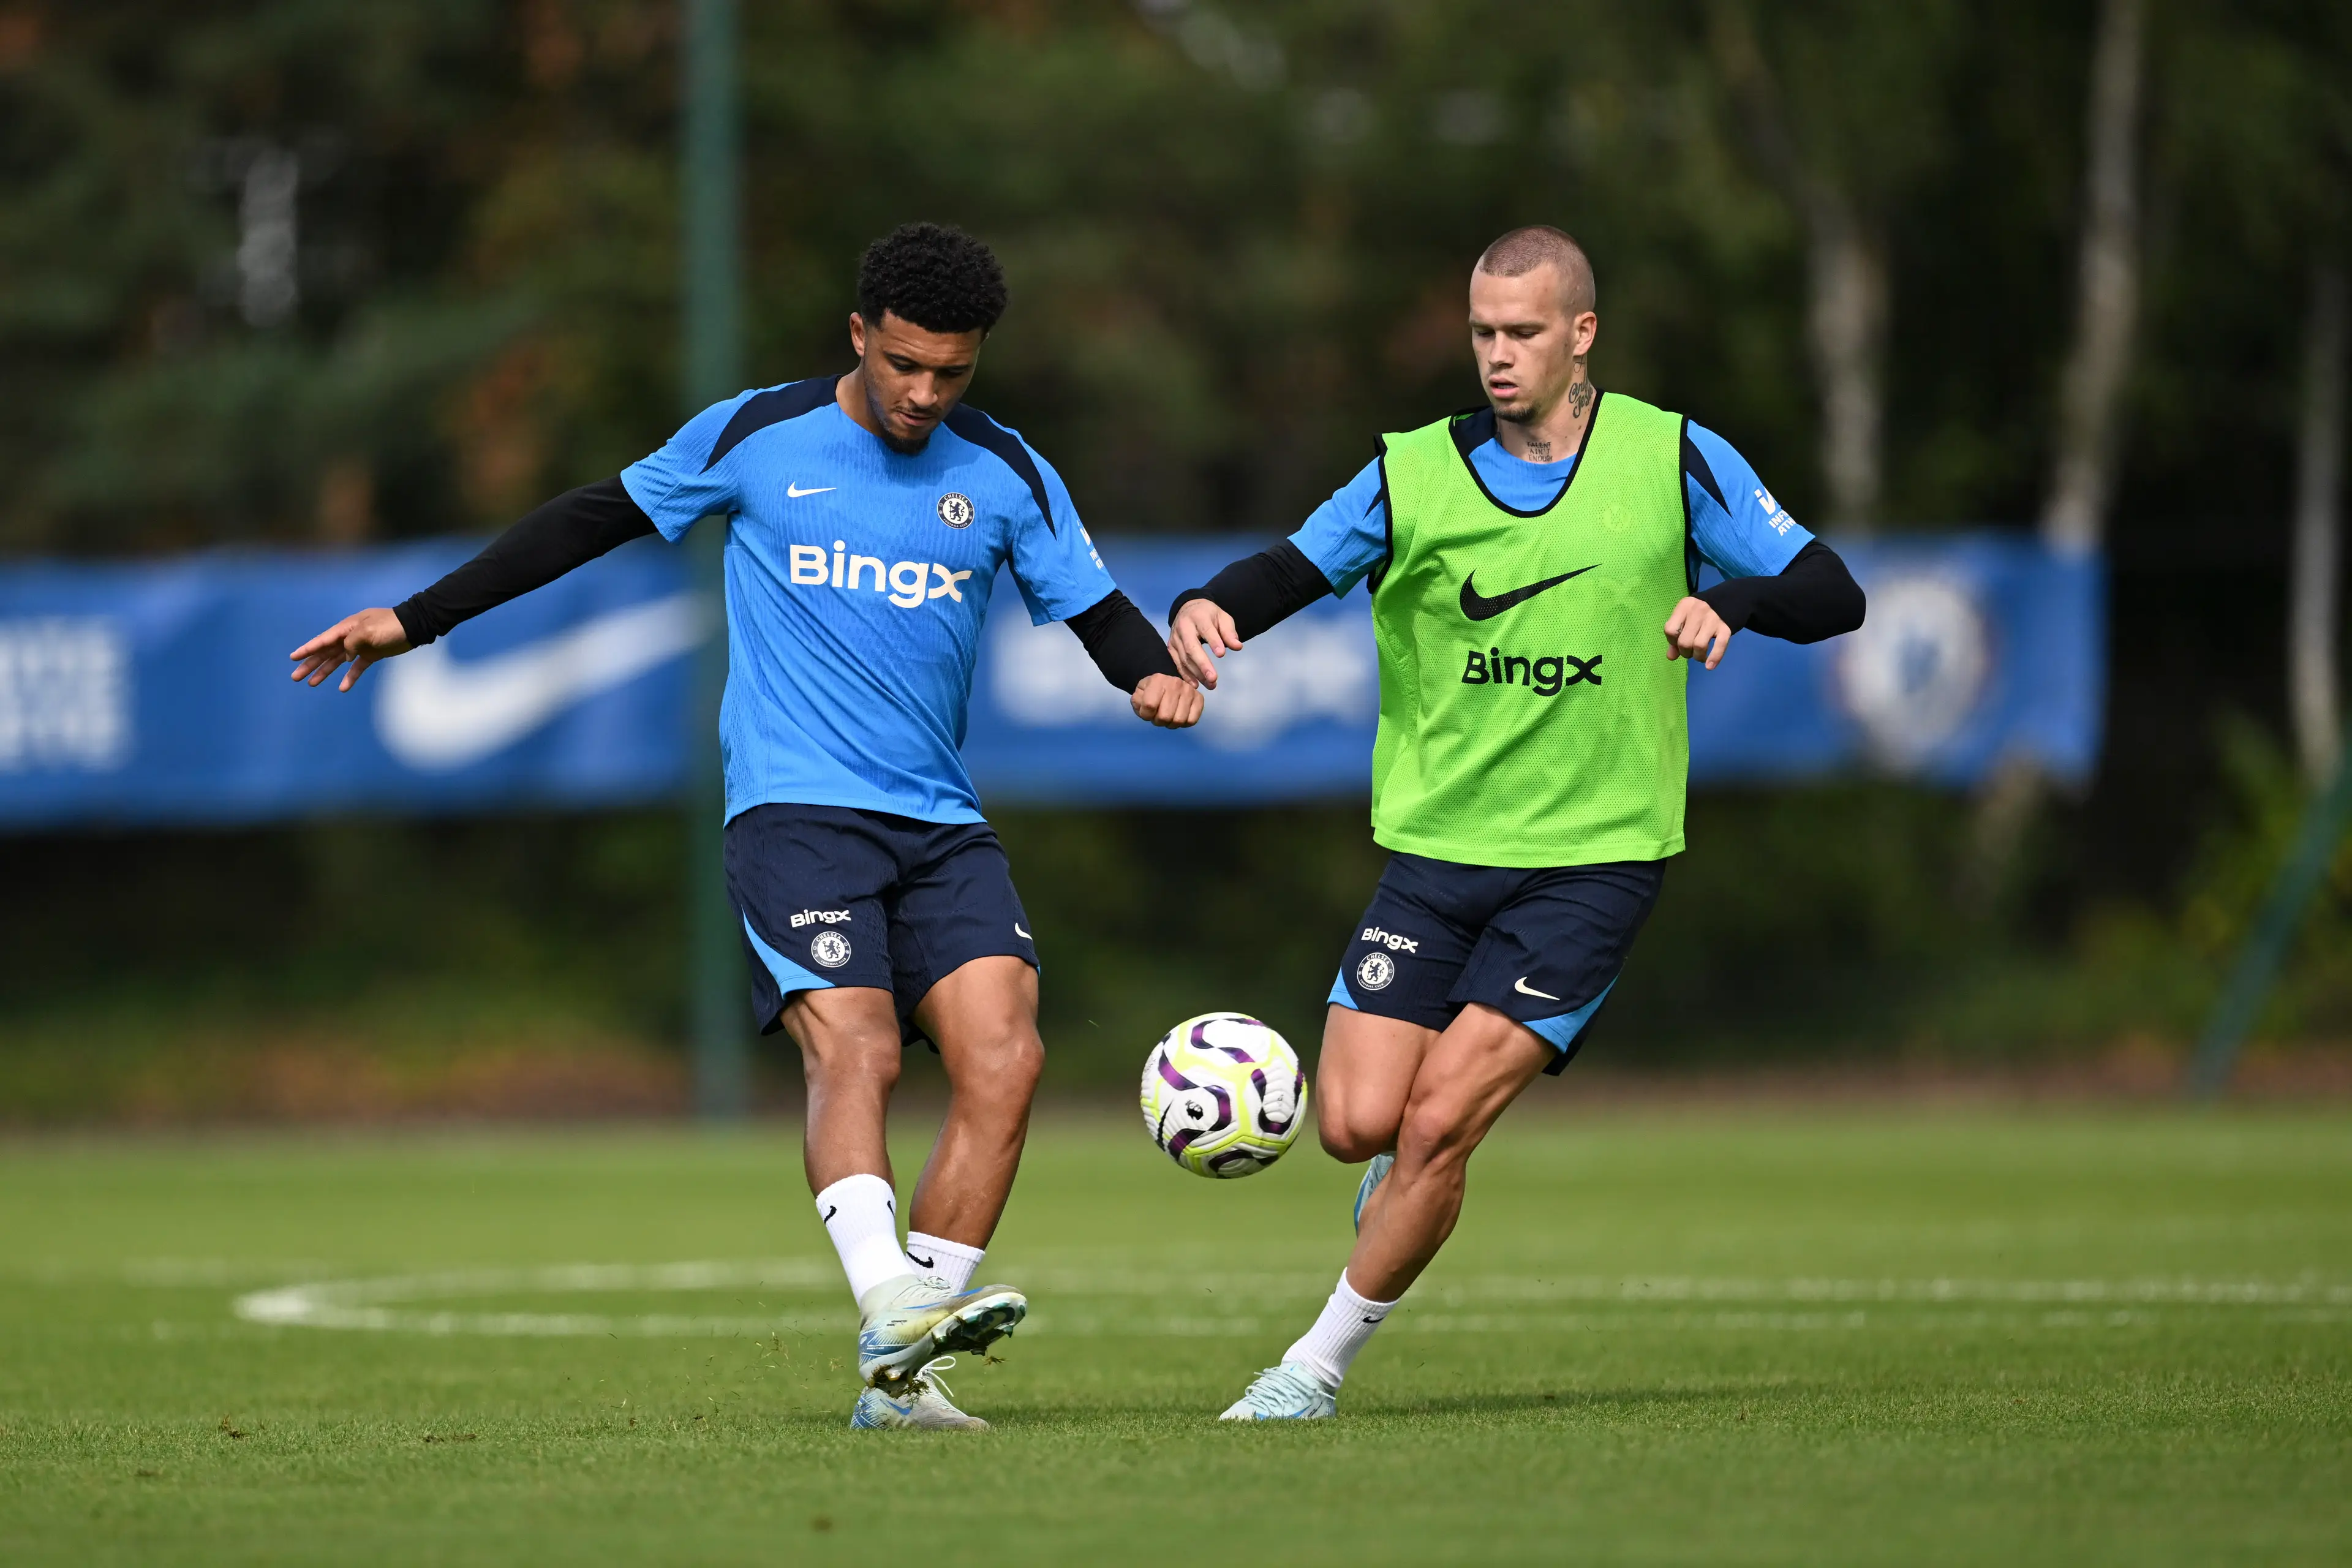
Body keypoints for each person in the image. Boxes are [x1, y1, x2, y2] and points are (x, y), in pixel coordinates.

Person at [292, 222, 1202, 1431]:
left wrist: (1154, 676)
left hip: (938, 820)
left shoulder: (1007, 470)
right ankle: (891, 1305)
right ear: (859, 334)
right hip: (794, 807)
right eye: (906, 366)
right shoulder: (758, 436)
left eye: (955, 373)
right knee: (857, 1048)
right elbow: (587, 517)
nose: (927, 394)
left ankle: (903, 1378)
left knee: (1010, 1056)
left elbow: (1097, 611)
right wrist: (416, 619)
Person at [1167, 225, 1865, 1420]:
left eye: (1524, 332)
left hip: (1593, 861)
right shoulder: (1414, 470)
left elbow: (1832, 589)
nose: (1497, 354)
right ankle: (1402, 1169)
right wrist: (1206, 606)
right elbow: (1292, 566)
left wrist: (1731, 601)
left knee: (1440, 1123)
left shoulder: (1670, 455)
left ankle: (1310, 1367)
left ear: (1580, 334)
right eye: (1484, 331)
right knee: (1355, 1124)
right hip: (1437, 856)